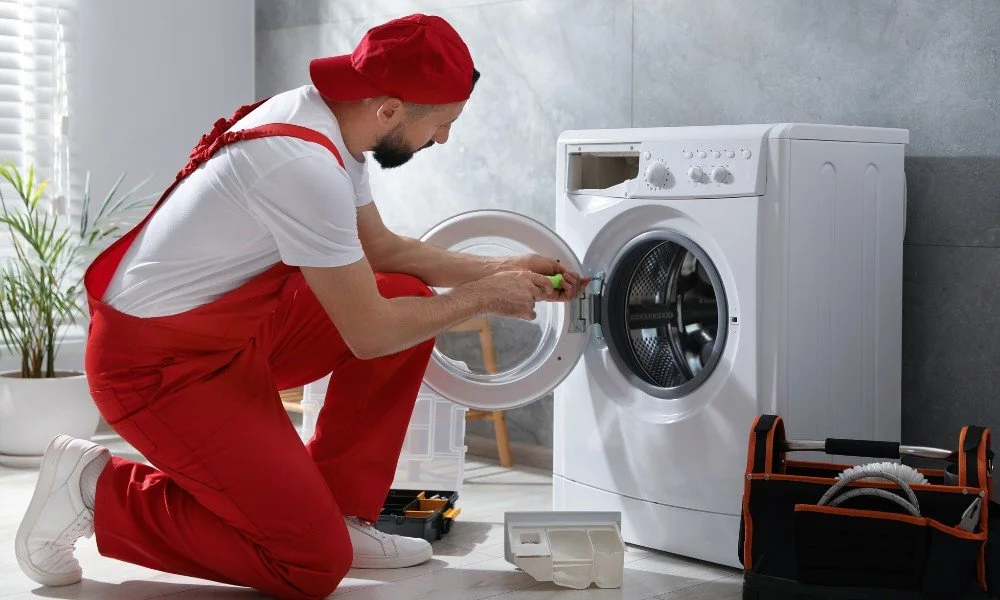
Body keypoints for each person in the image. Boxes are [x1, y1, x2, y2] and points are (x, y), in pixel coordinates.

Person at [14, 13, 584, 600]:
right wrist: (483, 297)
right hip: (157, 369)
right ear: (389, 109)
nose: (442, 140)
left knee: (403, 291)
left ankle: (341, 509)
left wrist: (505, 269)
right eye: (439, 125)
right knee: (309, 564)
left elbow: (381, 250)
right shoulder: (303, 165)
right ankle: (94, 491)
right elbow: (368, 334)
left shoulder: (333, 121)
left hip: (232, 332)